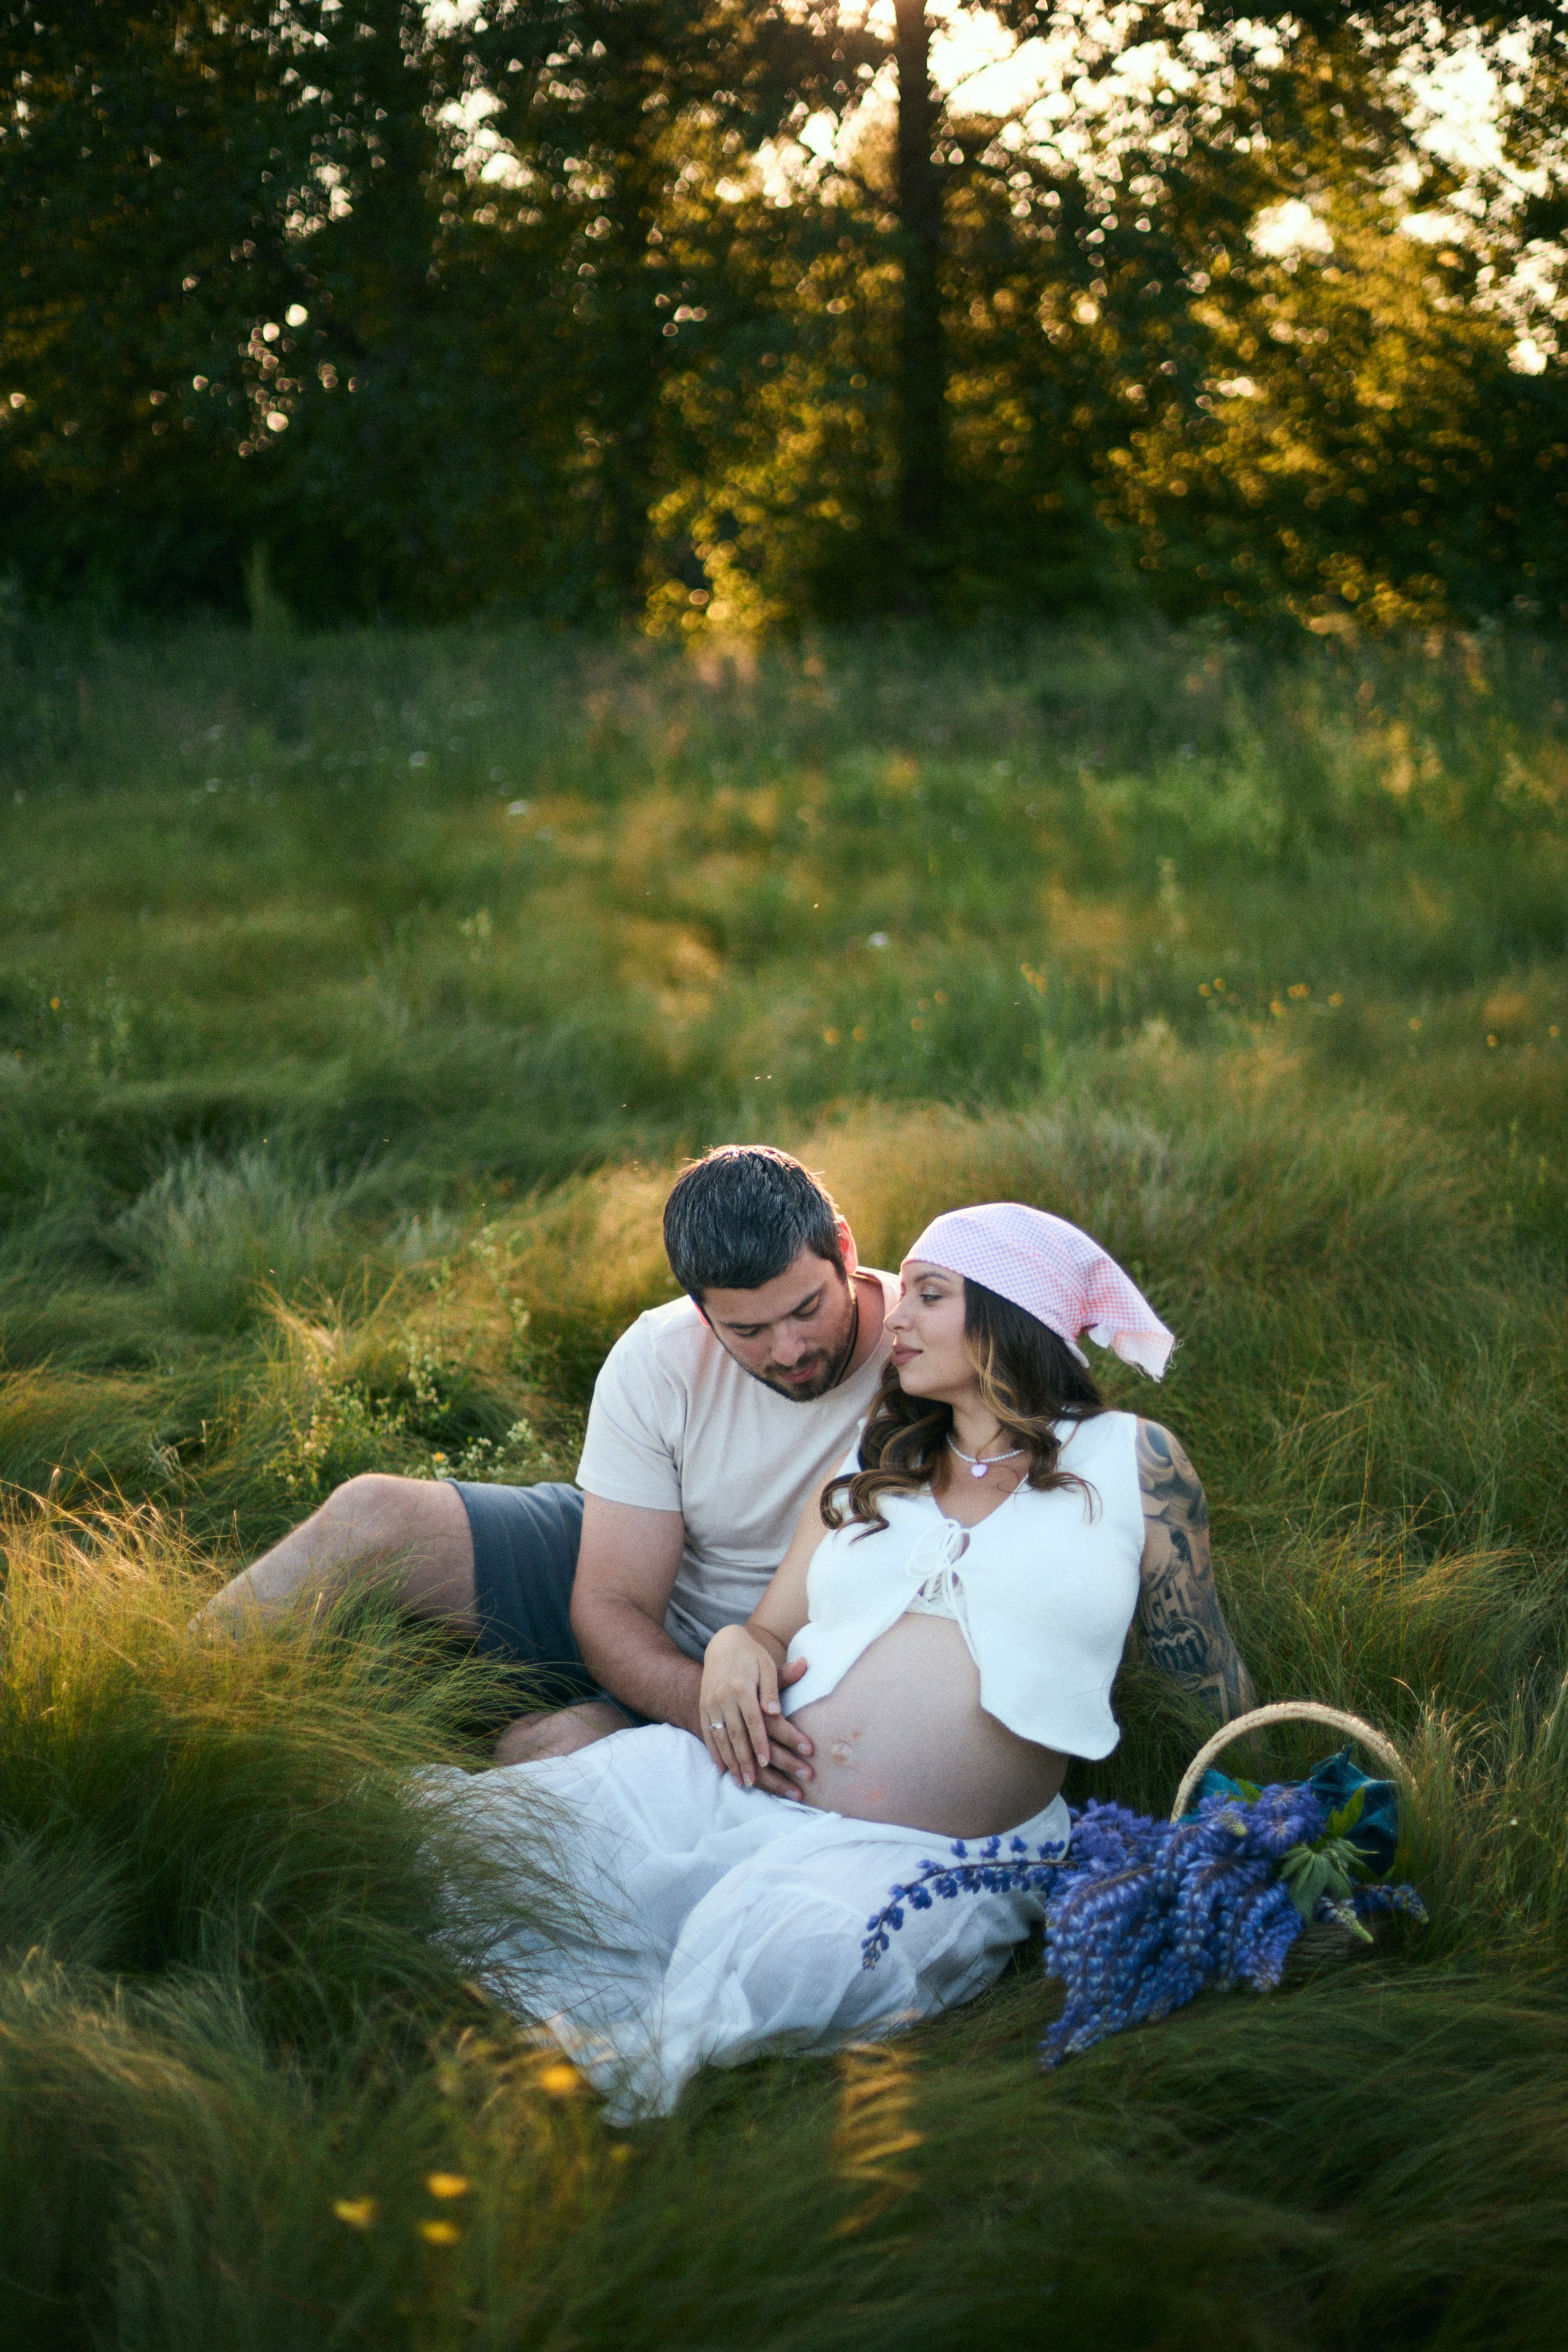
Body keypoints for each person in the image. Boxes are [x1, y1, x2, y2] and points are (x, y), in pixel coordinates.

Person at [428, 1203, 1257, 2122]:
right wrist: (737, 1651)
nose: (895, 1317)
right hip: (745, 1783)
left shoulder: (1130, 1461)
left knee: (785, 1958)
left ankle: (590, 2092)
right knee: (485, 1843)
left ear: (1011, 1308)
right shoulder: (882, 1457)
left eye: (930, 1296)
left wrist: (1258, 1833)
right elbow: (768, 1629)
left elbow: (1208, 1682)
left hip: (933, 1850)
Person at [202, 1148, 1252, 1785]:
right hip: (668, 1606)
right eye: (747, 1330)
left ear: (845, 1249)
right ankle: (163, 1697)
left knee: (548, 1750)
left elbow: (1043, 1467)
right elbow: (611, 1602)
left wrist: (748, 1697)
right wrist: (700, 1686)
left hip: (805, 1652)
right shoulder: (663, 1356)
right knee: (370, 1512)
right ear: (701, 1307)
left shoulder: (931, 1356)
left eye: (808, 1310)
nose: (790, 1350)